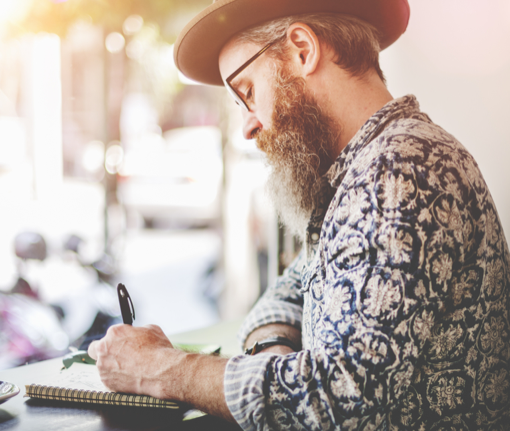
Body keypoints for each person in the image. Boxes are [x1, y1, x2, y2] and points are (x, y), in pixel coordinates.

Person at [88, 0, 510, 429]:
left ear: (303, 49)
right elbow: (291, 289)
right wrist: (273, 352)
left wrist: (160, 368)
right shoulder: (368, 170)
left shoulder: (399, 170)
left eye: (247, 93)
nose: (247, 126)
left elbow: (338, 399)